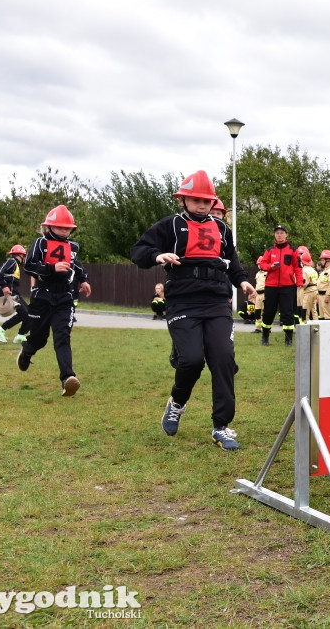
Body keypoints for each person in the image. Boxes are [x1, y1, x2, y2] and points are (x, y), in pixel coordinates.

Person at [130, 170, 256, 451]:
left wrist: (244, 281)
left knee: (223, 359)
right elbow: (139, 250)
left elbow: (232, 263)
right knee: (192, 361)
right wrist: (157, 255)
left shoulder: (223, 229)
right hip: (183, 301)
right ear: (183, 200)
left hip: (216, 302)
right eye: (195, 200)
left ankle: (221, 427)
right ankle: (176, 403)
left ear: (213, 203)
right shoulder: (170, 226)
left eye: (206, 200)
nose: (201, 205)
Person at [17, 205, 91, 396]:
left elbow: (76, 265)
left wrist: (83, 280)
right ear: (49, 227)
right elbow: (29, 266)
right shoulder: (40, 243)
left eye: (67, 228)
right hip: (42, 296)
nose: (64, 231)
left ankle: (68, 378)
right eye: (60, 227)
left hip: (65, 297)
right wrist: (51, 268)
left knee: (62, 336)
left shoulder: (73, 247)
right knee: (39, 339)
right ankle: (27, 351)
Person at [257, 224, 303, 346]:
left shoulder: (293, 250)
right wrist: (270, 267)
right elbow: (262, 264)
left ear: (286, 235)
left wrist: (299, 282)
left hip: (288, 286)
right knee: (268, 311)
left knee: (287, 312)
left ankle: (288, 339)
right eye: (277, 233)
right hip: (271, 286)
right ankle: (265, 336)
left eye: (282, 232)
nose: (279, 235)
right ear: (274, 235)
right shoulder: (269, 250)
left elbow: (298, 268)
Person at [0, 244, 31, 344]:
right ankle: (0, 330)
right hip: (8, 292)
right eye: (24, 256)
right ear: (20, 255)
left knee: (29, 313)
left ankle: (20, 335)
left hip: (14, 291)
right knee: (25, 313)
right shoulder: (12, 261)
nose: (24, 258)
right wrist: (4, 286)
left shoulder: (15, 264)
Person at [299, 248, 320, 322]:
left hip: (308, 292)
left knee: (305, 310)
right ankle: (316, 325)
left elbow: (304, 283)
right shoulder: (313, 270)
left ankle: (306, 326)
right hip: (315, 291)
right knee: (314, 310)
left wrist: (299, 285)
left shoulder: (304, 271)